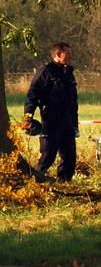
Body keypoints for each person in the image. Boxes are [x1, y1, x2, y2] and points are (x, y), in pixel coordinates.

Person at [22, 42, 79, 182]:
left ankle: (64, 183)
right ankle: (35, 182)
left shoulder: (68, 73)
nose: (70, 56)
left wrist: (75, 123)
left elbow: (73, 101)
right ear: (58, 55)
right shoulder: (45, 72)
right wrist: (28, 117)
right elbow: (32, 96)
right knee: (48, 155)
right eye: (68, 53)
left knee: (69, 156)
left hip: (67, 121)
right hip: (50, 121)